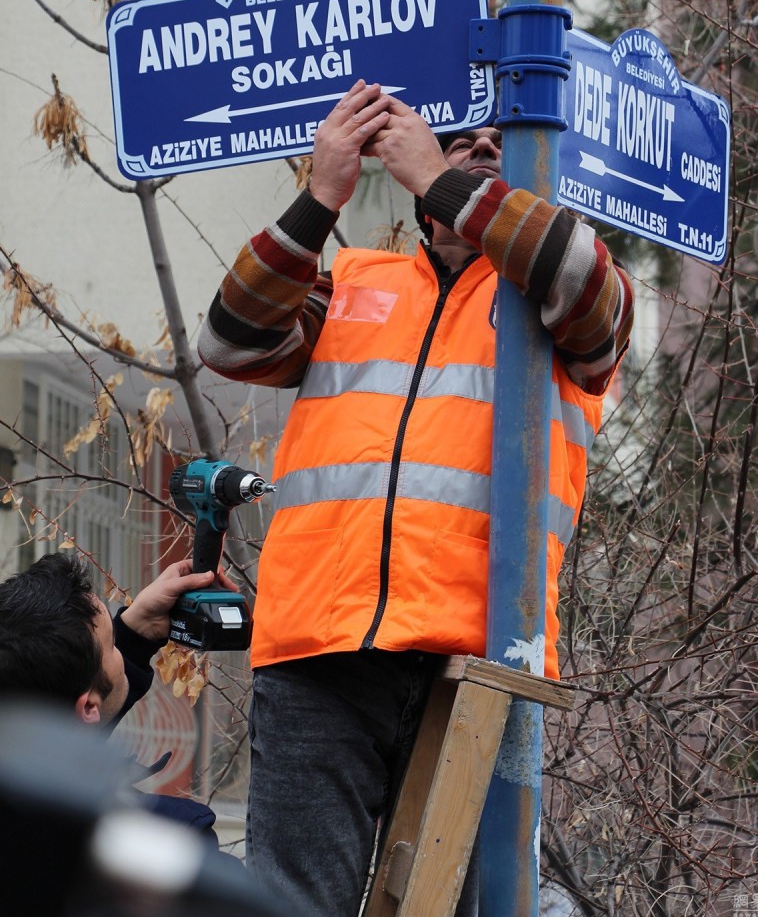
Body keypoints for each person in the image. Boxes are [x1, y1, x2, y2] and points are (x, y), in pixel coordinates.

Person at [197, 79, 635, 915]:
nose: (476, 150)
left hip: (474, 665)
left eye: (497, 149)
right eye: (460, 140)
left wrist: (435, 174)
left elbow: (576, 272)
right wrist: (323, 192)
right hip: (318, 650)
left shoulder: (580, 302)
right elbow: (229, 339)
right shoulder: (358, 284)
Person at [0, 551, 222, 834]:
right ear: (89, 708)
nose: (119, 649)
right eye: (114, 644)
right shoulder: (175, 836)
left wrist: (136, 634)